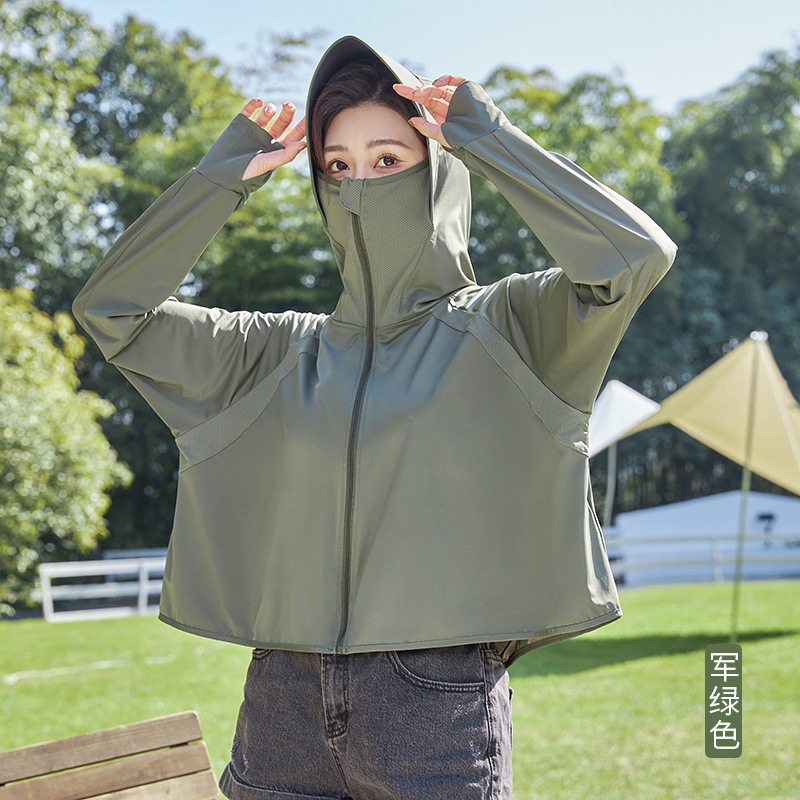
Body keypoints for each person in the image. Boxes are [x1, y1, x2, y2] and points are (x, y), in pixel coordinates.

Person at [73, 35, 676, 800]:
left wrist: (487, 138)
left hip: (432, 703)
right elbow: (113, 312)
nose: (359, 183)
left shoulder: (514, 327)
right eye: (338, 165)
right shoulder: (274, 353)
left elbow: (634, 256)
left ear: (439, 170)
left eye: (388, 159)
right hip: (283, 699)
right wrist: (221, 179)